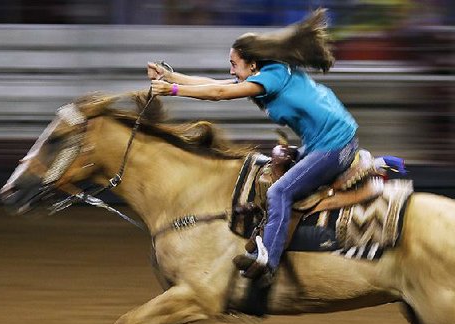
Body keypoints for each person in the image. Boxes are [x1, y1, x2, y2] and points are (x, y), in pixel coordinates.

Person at [148, 8, 359, 281]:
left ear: (252, 65)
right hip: (328, 141)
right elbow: (215, 84)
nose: (231, 70)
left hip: (334, 145)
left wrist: (173, 91)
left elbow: (219, 93)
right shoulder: (266, 73)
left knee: (279, 193)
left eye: (234, 64)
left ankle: (268, 262)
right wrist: (170, 77)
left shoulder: (269, 79)